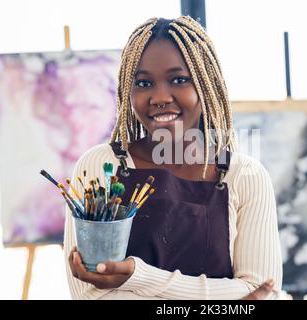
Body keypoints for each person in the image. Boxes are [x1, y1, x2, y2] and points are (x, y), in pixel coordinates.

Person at [64, 16, 282, 300]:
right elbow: (90, 296)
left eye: (179, 80)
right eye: (143, 83)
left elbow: (262, 292)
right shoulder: (100, 167)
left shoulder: (245, 175)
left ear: (206, 84)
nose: (159, 97)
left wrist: (137, 276)